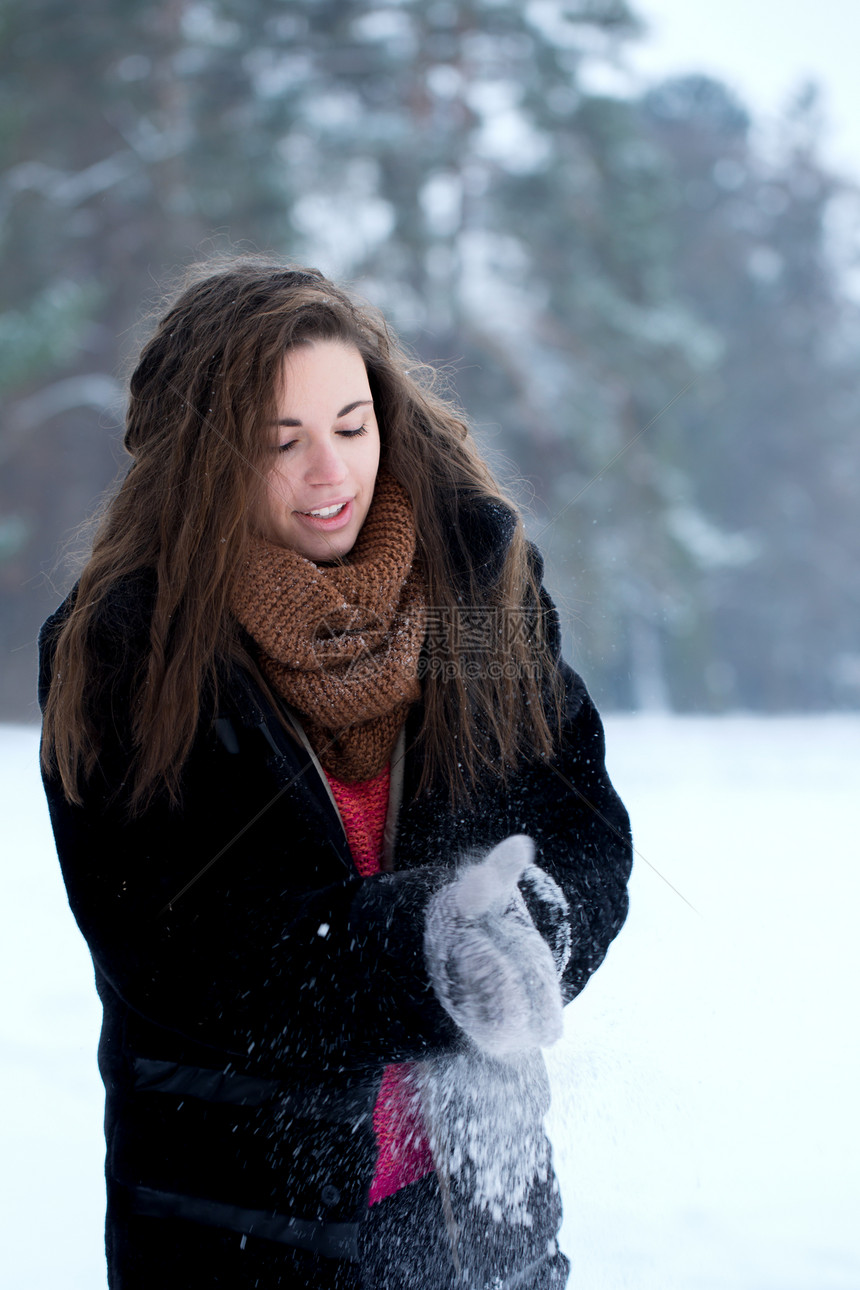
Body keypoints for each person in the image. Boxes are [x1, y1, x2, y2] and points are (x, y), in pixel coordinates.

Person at [38, 261, 632, 1289]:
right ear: (200, 459)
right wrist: (426, 952)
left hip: (479, 1225)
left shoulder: (475, 599)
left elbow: (576, 824)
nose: (332, 474)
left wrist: (532, 928)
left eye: (351, 427)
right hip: (243, 1239)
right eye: (283, 442)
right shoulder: (130, 649)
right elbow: (186, 950)